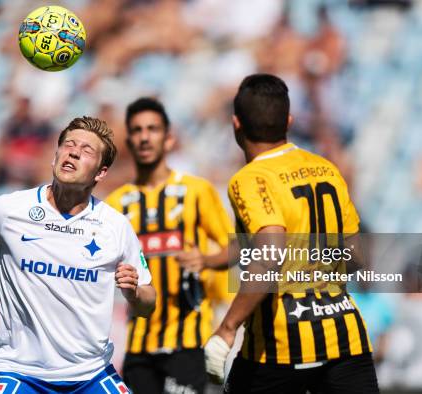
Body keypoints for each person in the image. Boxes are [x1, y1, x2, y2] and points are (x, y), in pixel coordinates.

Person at [0, 116, 156, 393]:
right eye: (68, 144)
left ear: (101, 173)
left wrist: (134, 292)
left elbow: (148, 303)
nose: (74, 152)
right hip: (19, 372)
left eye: (86, 150)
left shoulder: (116, 226)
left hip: (91, 374)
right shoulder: (6, 210)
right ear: (55, 155)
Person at [204, 74, 379, 393]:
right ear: (287, 121)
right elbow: (356, 256)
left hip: (277, 349)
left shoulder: (250, 179)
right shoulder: (327, 169)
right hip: (345, 339)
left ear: (235, 125)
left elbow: (270, 254)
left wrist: (228, 328)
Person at [106, 97, 233, 394]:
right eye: (137, 130)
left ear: (169, 138)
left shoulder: (195, 191)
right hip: (139, 346)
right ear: (129, 140)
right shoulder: (115, 204)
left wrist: (206, 260)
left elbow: (237, 247)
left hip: (188, 343)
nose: (145, 136)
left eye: (152, 128)